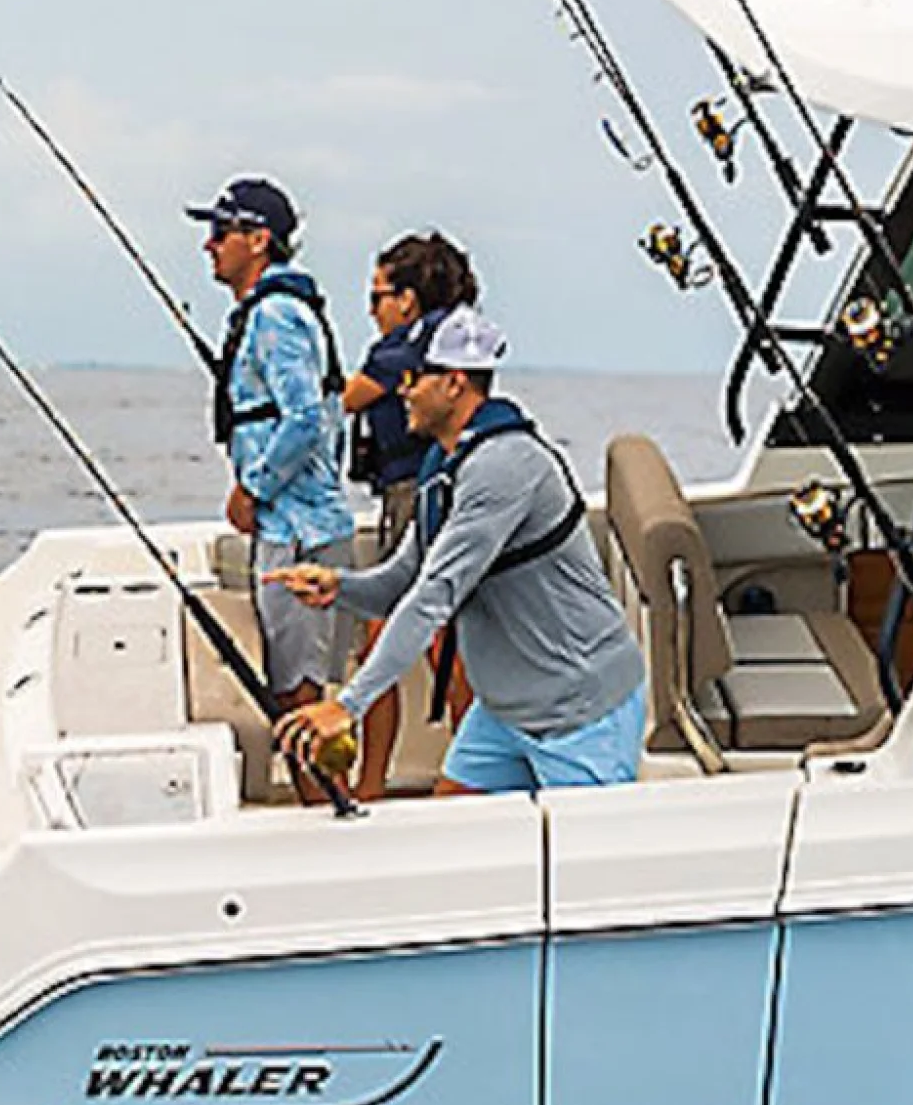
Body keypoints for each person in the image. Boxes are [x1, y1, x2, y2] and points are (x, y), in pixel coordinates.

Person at [265, 306, 647, 795]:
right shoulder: (443, 465)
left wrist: (348, 705)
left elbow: (433, 598)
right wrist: (337, 589)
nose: (402, 389)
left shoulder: (504, 465)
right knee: (453, 842)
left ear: (454, 383)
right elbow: (402, 582)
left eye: (413, 376)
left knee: (584, 869)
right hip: (504, 713)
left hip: (579, 712)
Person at [186, 177, 357, 789]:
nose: (208, 246)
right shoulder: (268, 313)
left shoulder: (277, 317)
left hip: (297, 534)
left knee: (300, 700)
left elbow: (305, 417)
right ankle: (325, 809)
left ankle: (330, 820)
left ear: (258, 240)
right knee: (296, 695)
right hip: (292, 530)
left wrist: (251, 488)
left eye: (220, 232)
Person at [339, 232, 476, 799]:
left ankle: (470, 772)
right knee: (399, 641)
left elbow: (341, 400)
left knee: (443, 646)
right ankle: (371, 781)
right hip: (417, 496)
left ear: (408, 300)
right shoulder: (449, 339)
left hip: (417, 498)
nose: (372, 311)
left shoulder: (400, 353)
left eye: (377, 298)